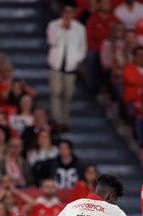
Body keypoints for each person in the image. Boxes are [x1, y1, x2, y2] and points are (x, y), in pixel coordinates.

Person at [47, 0, 87, 129]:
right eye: (66, 11)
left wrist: (76, 61)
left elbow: (82, 47)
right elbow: (52, 41)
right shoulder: (53, 25)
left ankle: (64, 121)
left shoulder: (80, 28)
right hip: (56, 64)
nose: (68, 14)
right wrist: (63, 29)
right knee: (56, 92)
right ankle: (56, 120)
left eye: (71, 12)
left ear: (75, 12)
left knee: (67, 94)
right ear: (62, 12)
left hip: (70, 65)